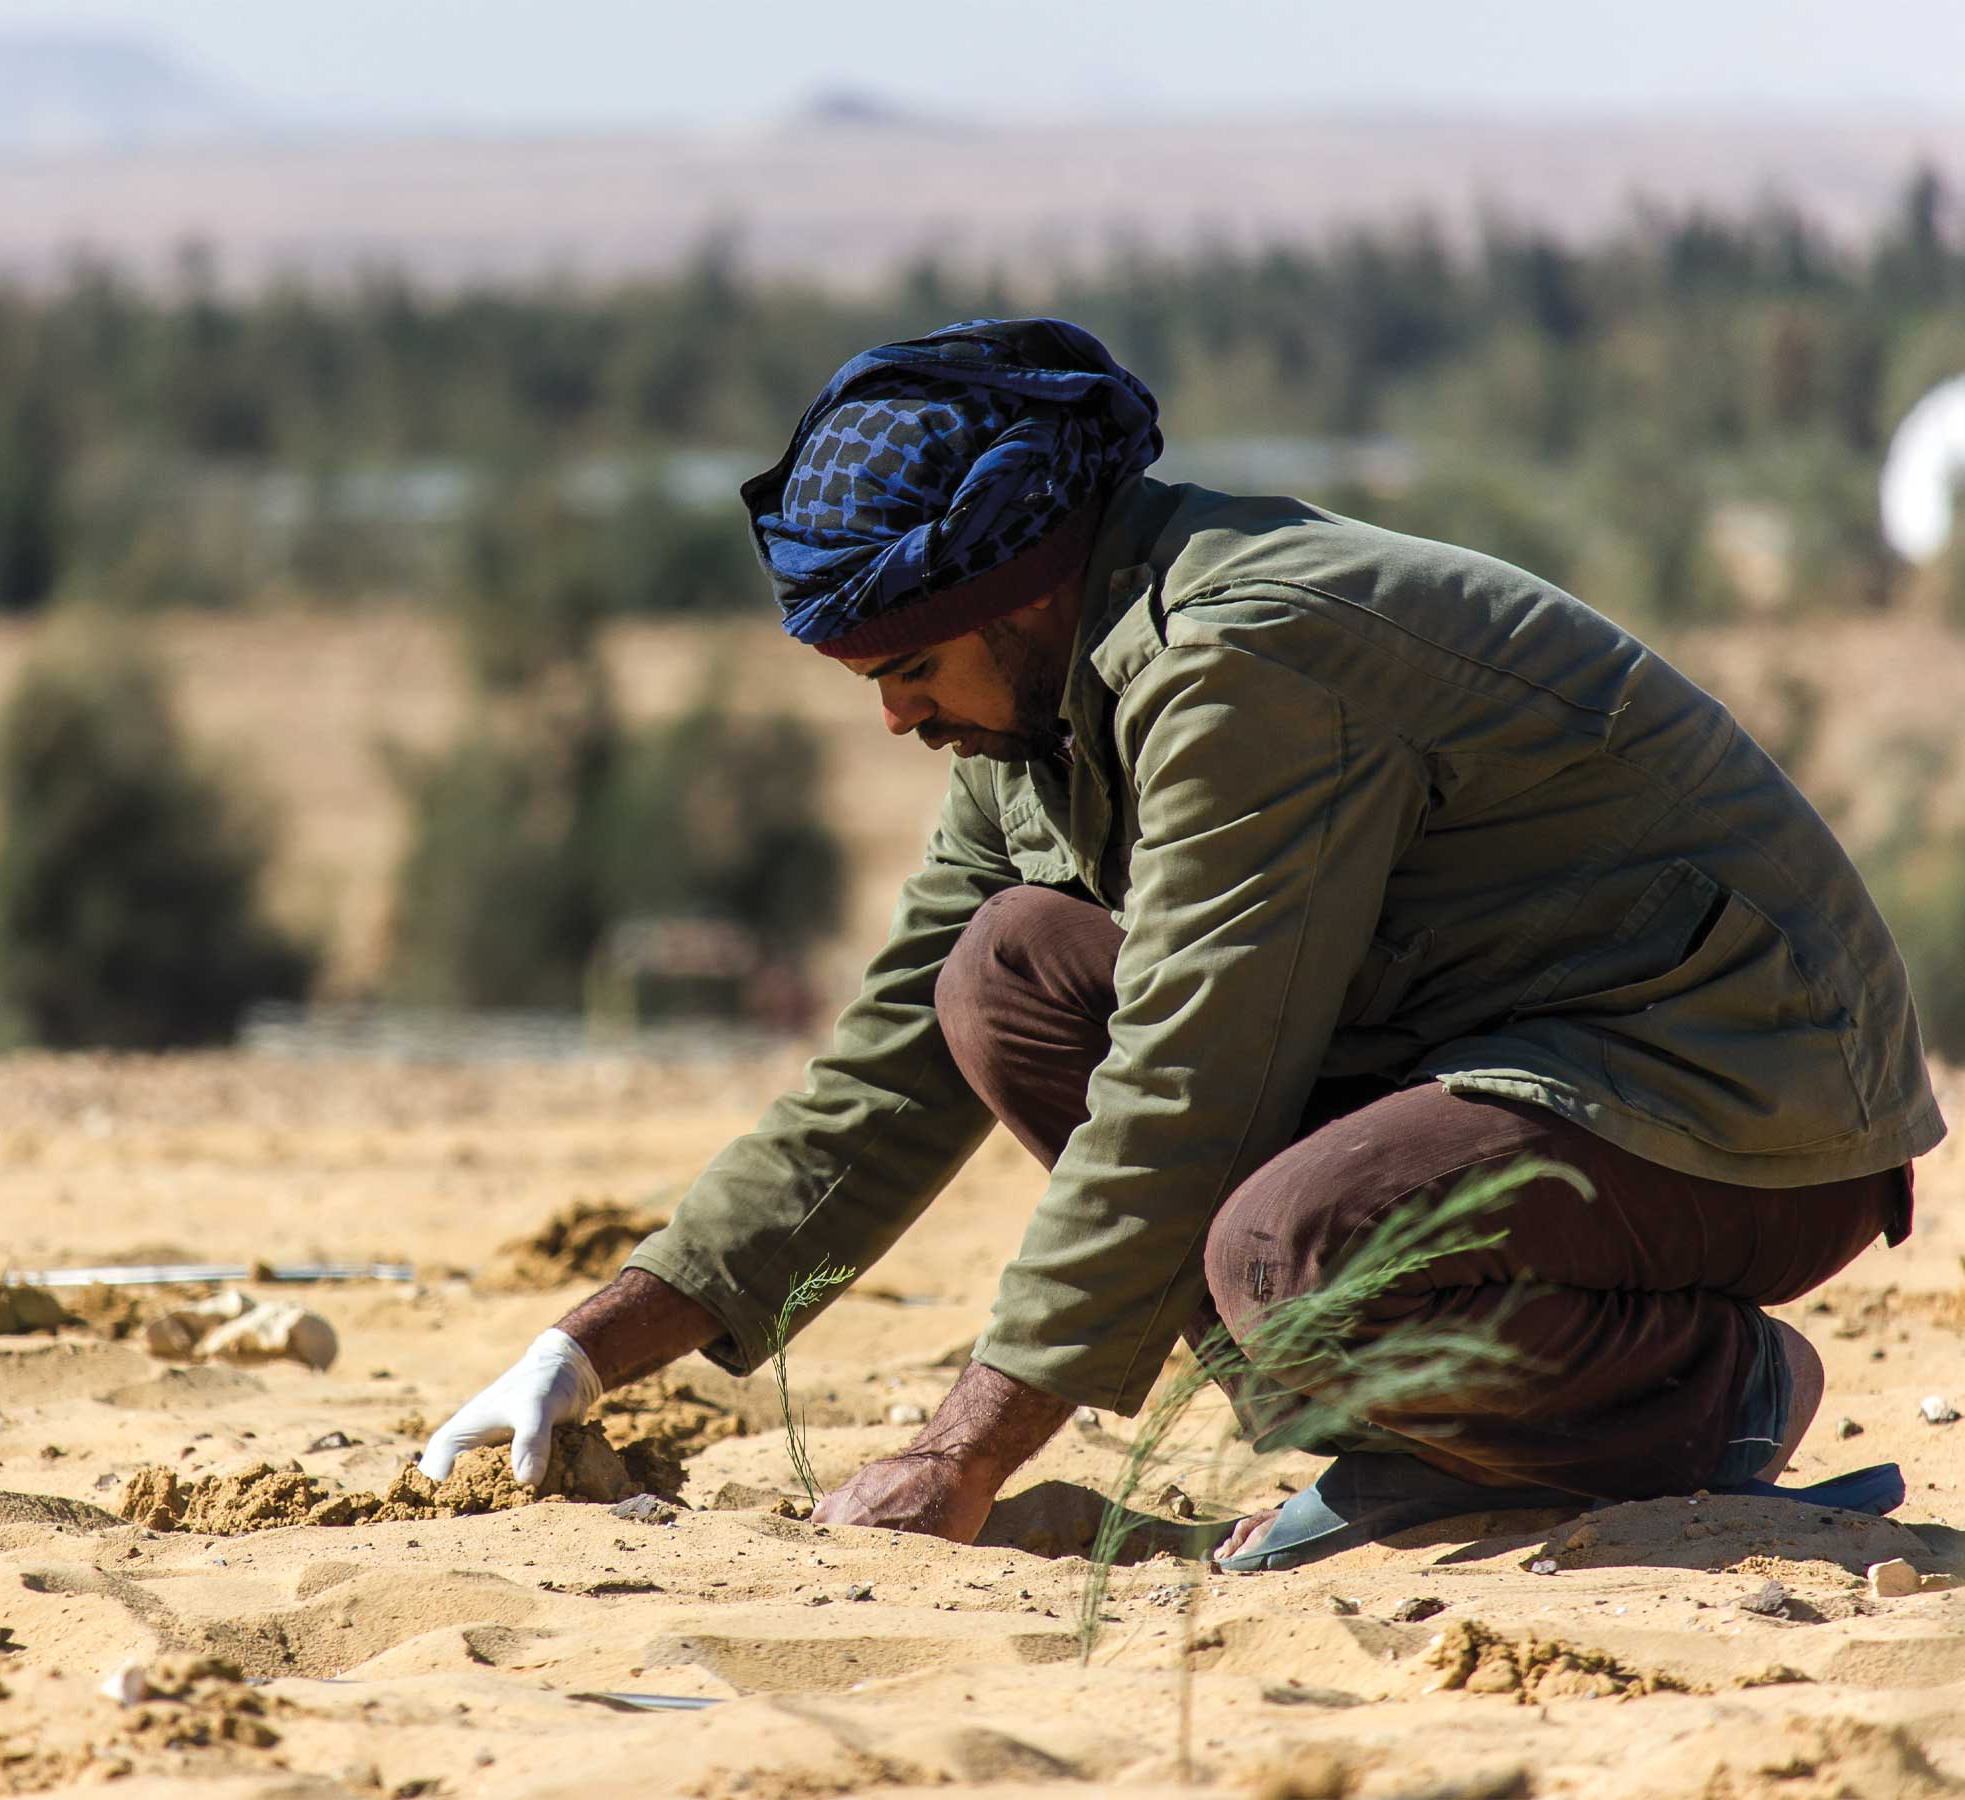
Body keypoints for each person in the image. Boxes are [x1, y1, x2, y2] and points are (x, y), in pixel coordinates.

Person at [419, 318, 1943, 1567]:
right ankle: (1423, 1444)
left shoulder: (1242, 657)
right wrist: (587, 1347)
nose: (893, 715)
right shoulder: (1028, 715)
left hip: (1744, 1096)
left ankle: (1705, 1398)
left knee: (1291, 1252)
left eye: (908, 666)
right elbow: (883, 1072)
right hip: (1513, 1073)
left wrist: (964, 1452)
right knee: (1005, 972)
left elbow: (1190, 1072)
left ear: (1017, 596)